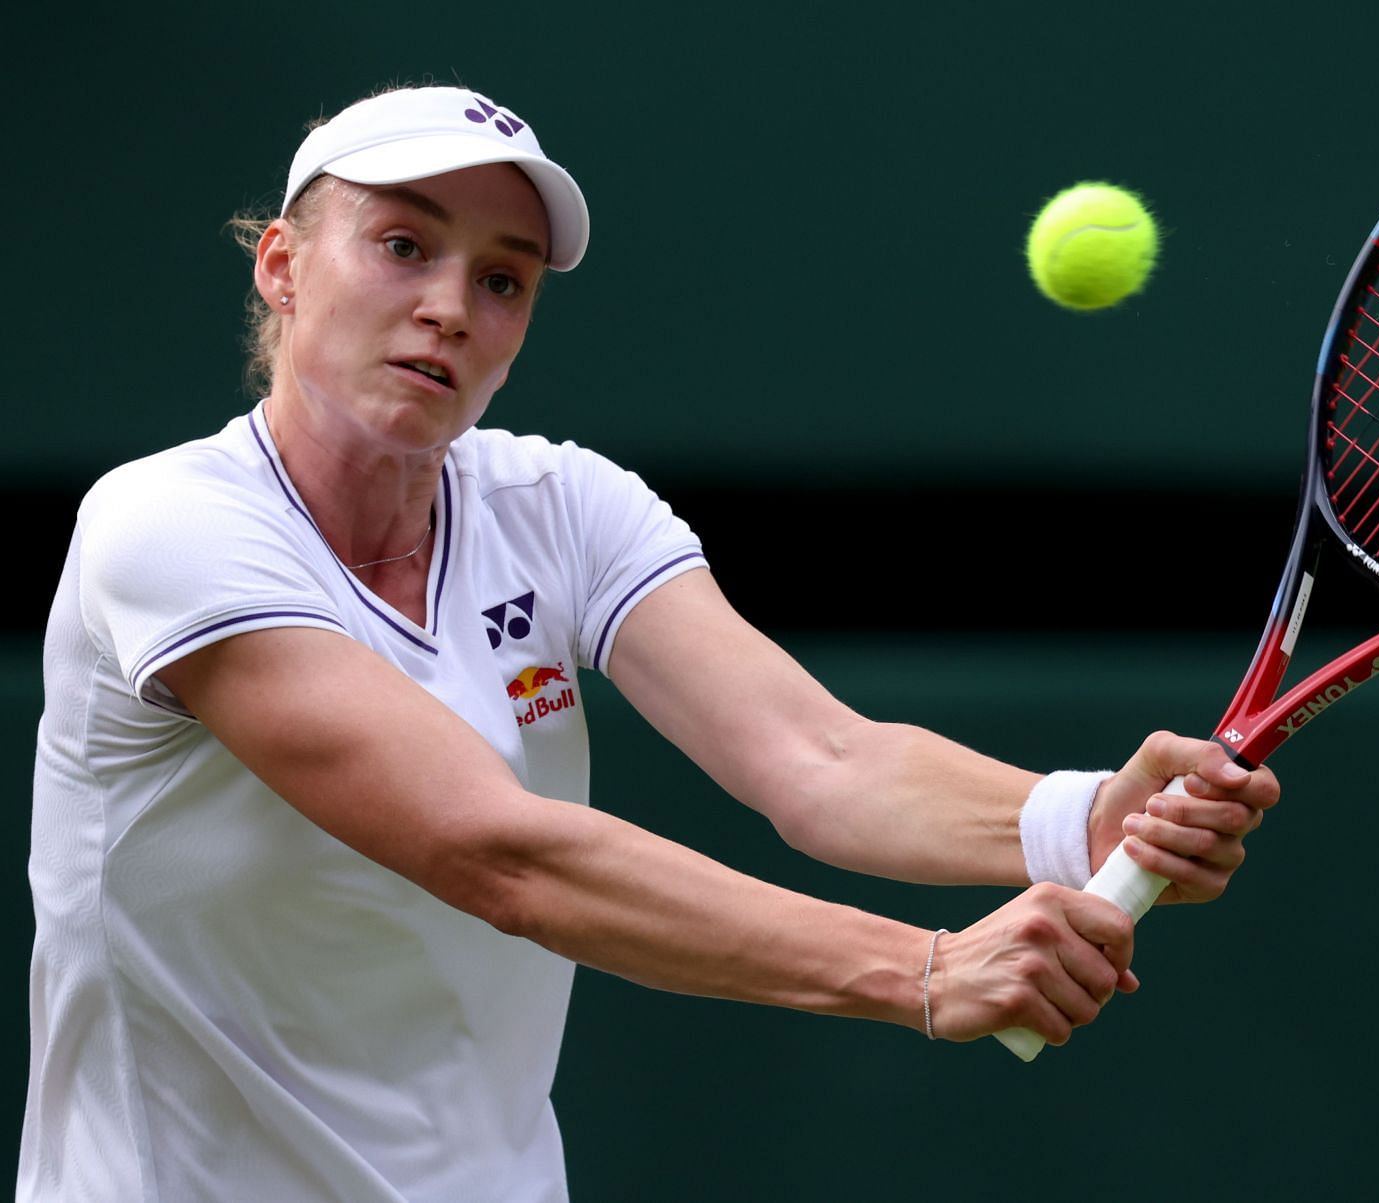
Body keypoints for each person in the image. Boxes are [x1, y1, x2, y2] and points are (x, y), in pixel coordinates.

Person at [19, 85, 1278, 1201]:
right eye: (402, 247)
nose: (450, 308)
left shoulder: (563, 506)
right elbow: (494, 851)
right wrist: (926, 970)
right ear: (283, 266)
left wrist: (1077, 821)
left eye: (502, 278)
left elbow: (820, 761)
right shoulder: (166, 528)